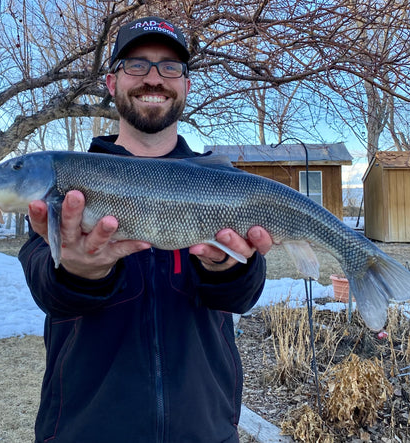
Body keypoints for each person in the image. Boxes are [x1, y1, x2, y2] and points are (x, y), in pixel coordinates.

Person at [19, 16, 273, 443]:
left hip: (205, 429)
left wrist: (227, 269)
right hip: (84, 429)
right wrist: (79, 273)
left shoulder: (222, 182)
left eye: (170, 67)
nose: (154, 78)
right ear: (111, 82)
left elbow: (241, 298)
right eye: (137, 64)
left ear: (186, 86)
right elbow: (47, 291)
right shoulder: (67, 186)